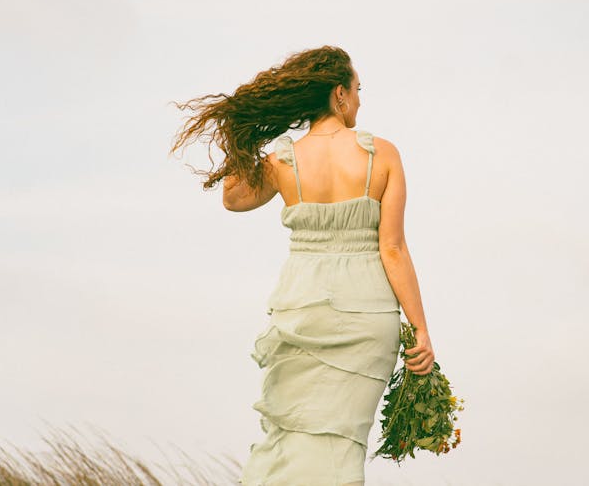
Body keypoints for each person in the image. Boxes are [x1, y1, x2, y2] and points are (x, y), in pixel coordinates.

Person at [170, 45, 434, 485]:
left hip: (303, 311)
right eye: (358, 89)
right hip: (367, 315)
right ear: (339, 94)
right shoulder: (383, 155)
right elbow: (393, 249)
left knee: (289, 441)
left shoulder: (282, 160)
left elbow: (232, 199)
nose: (361, 100)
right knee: (343, 446)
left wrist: (245, 138)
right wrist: (420, 328)